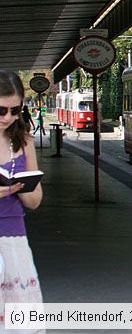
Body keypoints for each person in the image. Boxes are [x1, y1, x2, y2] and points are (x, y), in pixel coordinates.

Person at [0, 70, 43, 328]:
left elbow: (35, 201)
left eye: (15, 111)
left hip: (14, 239)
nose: (7, 118)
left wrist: (23, 187)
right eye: (1, 110)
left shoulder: (23, 141)